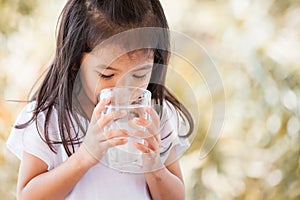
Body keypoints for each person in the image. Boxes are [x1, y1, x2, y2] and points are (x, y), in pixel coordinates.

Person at [7, 0, 194, 199]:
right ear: (75, 61)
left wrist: (155, 168)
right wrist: (85, 157)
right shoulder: (48, 119)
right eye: (107, 75)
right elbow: (27, 196)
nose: (124, 90)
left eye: (139, 75)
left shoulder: (157, 117)